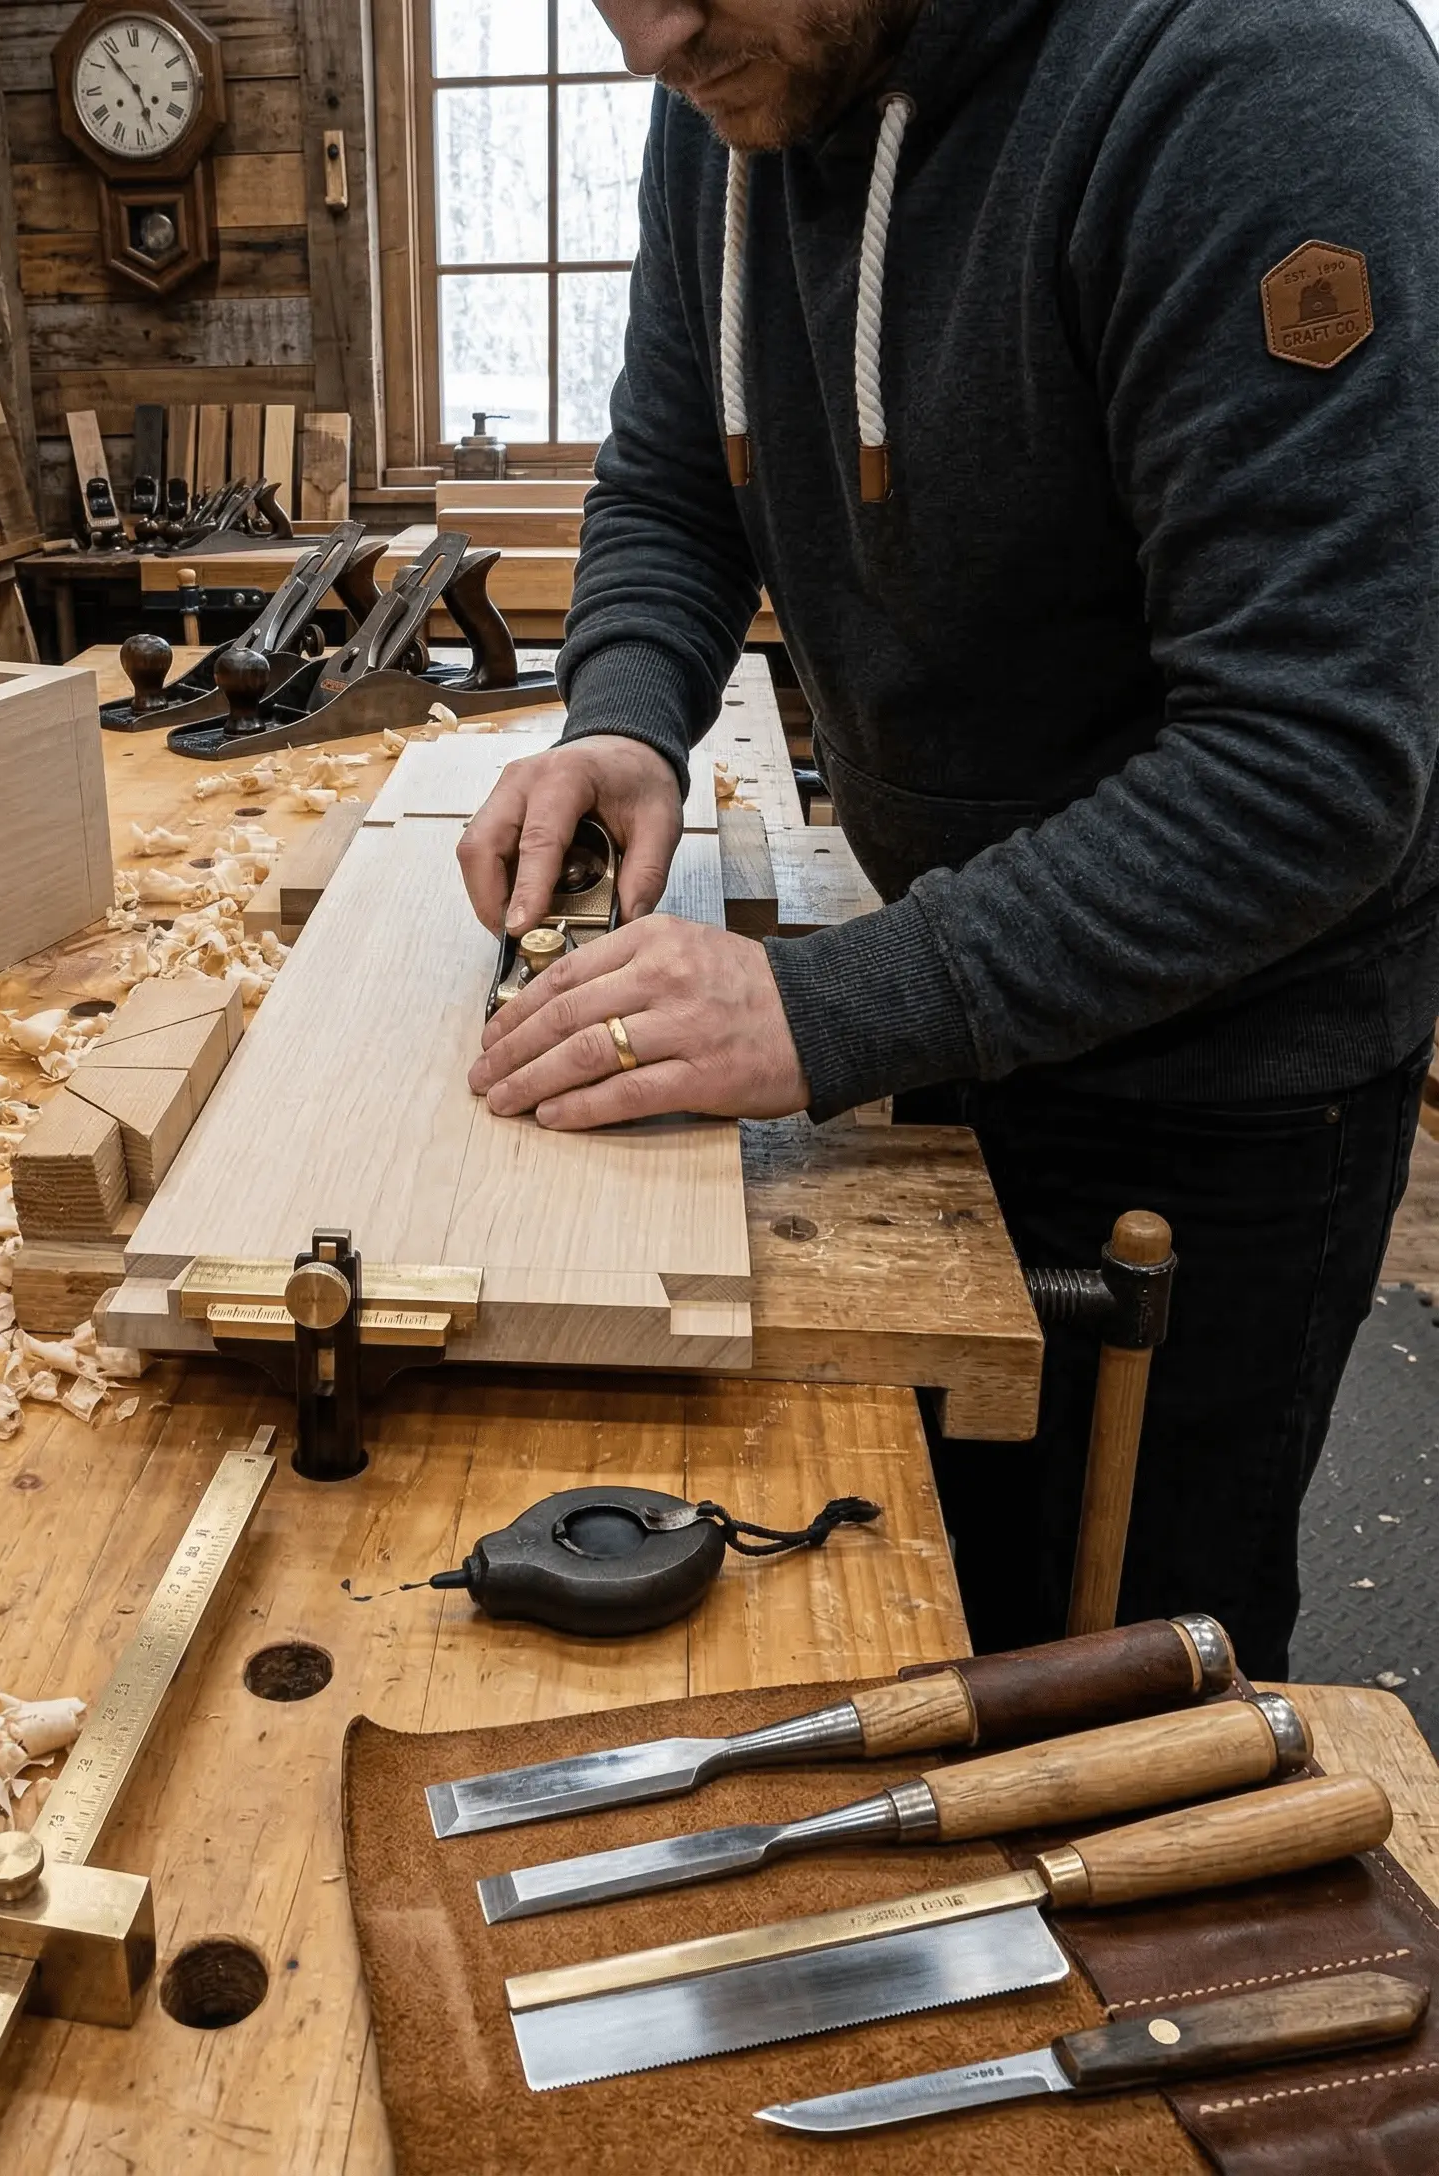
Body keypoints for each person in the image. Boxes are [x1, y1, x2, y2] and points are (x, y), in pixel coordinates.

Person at [457, 0, 1439, 1679]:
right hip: (963, 979)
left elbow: (1310, 761)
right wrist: (622, 709)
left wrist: (819, 1009)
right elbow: (674, 480)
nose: (651, 40)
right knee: (953, 1586)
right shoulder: (739, 81)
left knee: (1140, 1655)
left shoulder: (1266, 77)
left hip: (1236, 1067)